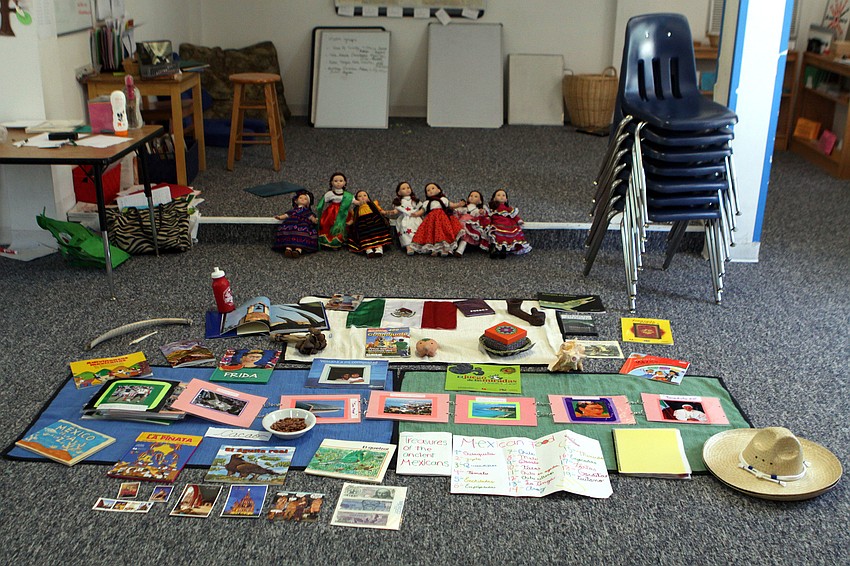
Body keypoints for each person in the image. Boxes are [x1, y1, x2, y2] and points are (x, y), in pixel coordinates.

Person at [409, 182, 465, 256]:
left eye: (433, 188)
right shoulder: (427, 202)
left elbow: (451, 205)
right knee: (433, 233)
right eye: (428, 190)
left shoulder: (443, 199)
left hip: (442, 218)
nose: (431, 191)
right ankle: (434, 249)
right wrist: (416, 214)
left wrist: (458, 204)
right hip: (431, 220)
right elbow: (422, 211)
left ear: (439, 190)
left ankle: (444, 249)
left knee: (444, 232)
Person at [345, 190, 393, 258]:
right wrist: (348, 223)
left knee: (378, 234)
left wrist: (386, 212)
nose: (362, 197)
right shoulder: (355, 210)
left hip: (375, 223)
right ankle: (369, 250)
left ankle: (379, 249)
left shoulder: (373, 205)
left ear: (368, 197)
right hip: (363, 226)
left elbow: (380, 211)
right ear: (356, 199)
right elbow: (353, 219)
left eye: (365, 195)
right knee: (365, 237)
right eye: (360, 196)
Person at [485, 188, 532, 258]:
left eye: (503, 195)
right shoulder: (492, 209)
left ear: (506, 199)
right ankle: (495, 250)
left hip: (507, 225)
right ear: (494, 198)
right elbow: (489, 215)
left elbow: (514, 216)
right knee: (496, 237)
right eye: (498, 195)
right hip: (496, 224)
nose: (501, 197)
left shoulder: (509, 209)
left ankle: (503, 250)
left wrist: (519, 220)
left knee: (505, 239)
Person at [272, 189, 318, 258]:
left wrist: (315, 220)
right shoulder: (293, 211)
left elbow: (311, 218)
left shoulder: (307, 212)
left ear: (308, 203)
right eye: (300, 198)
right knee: (288, 233)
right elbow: (286, 215)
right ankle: (288, 249)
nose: (302, 199)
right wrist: (280, 217)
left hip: (303, 225)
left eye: (305, 199)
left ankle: (298, 250)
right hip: (291, 224)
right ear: (296, 201)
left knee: (303, 234)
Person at [316, 172, 354, 249]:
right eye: (336, 181)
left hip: (343, 211)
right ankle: (329, 241)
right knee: (329, 224)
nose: (338, 183)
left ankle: (339, 240)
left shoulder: (347, 195)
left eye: (341, 181)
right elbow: (321, 203)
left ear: (344, 182)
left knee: (343, 225)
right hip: (331, 212)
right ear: (332, 182)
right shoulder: (330, 194)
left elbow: (354, 201)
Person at [388, 181, 424, 255]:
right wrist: (389, 212)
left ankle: (419, 245)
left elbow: (422, 209)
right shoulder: (399, 202)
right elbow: (396, 211)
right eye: (403, 188)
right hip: (406, 218)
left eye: (408, 187)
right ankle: (408, 246)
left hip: (416, 217)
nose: (407, 189)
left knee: (419, 228)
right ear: (399, 192)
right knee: (405, 228)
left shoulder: (415, 201)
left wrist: (419, 213)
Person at [454, 190, 489, 256]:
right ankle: (451, 248)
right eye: (471, 196)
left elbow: (481, 216)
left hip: (469, 226)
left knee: (465, 238)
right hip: (460, 223)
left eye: (475, 196)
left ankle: (459, 251)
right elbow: (457, 211)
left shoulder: (477, 210)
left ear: (480, 201)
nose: (472, 197)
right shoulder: (465, 207)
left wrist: (481, 213)